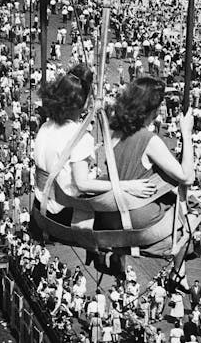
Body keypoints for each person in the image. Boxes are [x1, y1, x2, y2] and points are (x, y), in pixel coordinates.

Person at [32, 65, 156, 229]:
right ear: (83, 101)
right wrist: (128, 186)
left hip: (41, 203)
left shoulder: (46, 127)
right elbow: (83, 184)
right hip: (62, 212)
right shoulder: (79, 136)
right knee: (125, 211)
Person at [94, 77, 195, 272]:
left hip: (112, 212)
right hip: (137, 216)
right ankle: (179, 272)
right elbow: (187, 177)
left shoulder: (114, 132)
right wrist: (187, 133)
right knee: (188, 214)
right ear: (153, 110)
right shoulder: (149, 140)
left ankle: (117, 257)